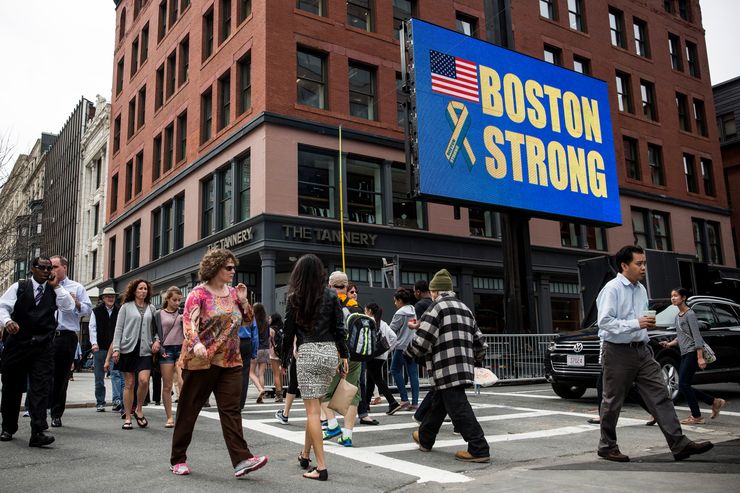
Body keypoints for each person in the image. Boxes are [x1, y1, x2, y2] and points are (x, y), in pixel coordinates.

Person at [596, 245, 713, 462]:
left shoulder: (641, 289)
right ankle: (607, 446)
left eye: (644, 263)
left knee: (661, 395)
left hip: (642, 350)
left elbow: (641, 320)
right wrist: (636, 323)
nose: (643, 268)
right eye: (638, 263)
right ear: (624, 265)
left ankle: (679, 444)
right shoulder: (612, 289)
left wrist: (646, 325)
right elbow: (604, 322)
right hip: (617, 352)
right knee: (612, 401)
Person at [170, 248, 268, 478]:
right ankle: (178, 459)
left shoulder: (234, 293)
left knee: (232, 410)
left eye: (234, 267)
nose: (234, 271)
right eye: (229, 267)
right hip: (202, 360)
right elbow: (188, 322)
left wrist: (244, 302)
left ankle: (241, 459)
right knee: (189, 410)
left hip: (231, 360)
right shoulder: (198, 294)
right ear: (215, 268)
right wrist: (196, 344)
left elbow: (246, 321)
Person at [405, 269, 490, 463]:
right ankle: (425, 438)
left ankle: (479, 448)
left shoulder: (436, 308)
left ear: (435, 291)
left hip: (444, 367)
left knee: (458, 408)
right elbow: (480, 342)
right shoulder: (465, 308)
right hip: (463, 366)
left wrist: (408, 354)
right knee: (439, 403)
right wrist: (477, 360)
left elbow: (423, 340)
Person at [281, 254, 348, 481]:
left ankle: (321, 467)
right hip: (329, 353)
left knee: (312, 412)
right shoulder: (331, 295)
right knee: (316, 406)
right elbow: (340, 329)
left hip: (308, 352)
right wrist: (344, 356)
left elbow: (288, 332)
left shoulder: (294, 297)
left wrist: (283, 360)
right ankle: (305, 454)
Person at [0, 256, 75, 447]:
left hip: (42, 346)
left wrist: (57, 286)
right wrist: (8, 322)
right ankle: (8, 427)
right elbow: (3, 306)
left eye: (49, 268)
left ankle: (38, 431)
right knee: (11, 387)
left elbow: (69, 307)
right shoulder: (20, 286)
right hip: (17, 344)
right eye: (41, 267)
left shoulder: (55, 290)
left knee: (41, 388)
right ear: (32, 269)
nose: (46, 271)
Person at [660, 287, 726, 424]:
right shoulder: (678, 316)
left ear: (683, 298)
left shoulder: (690, 314)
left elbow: (696, 336)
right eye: (672, 296)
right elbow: (681, 336)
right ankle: (714, 402)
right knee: (684, 385)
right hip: (684, 353)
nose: (673, 298)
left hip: (692, 353)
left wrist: (700, 357)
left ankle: (697, 416)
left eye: (676, 296)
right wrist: (670, 344)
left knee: (683, 384)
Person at [321, 271, 364, 446]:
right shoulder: (356, 306)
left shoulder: (330, 304)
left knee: (321, 390)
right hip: (356, 355)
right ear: (346, 287)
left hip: (337, 353)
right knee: (352, 394)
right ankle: (347, 436)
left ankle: (331, 424)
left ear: (330, 286)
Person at [49, 255, 92, 428]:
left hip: (66, 336)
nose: (52, 270)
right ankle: (37, 408)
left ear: (65, 267)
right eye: (50, 266)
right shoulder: (44, 286)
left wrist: (77, 303)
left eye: (55, 266)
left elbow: (88, 309)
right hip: (46, 335)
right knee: (42, 374)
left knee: (61, 377)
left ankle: (56, 413)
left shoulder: (77, 287)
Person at [112, 279, 161, 430]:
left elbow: (157, 329)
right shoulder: (125, 307)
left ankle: (139, 409)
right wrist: (116, 348)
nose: (143, 291)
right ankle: (128, 416)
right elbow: (118, 329)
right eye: (140, 289)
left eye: (145, 289)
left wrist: (157, 341)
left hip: (145, 349)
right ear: (134, 291)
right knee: (129, 384)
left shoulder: (151, 308)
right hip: (128, 349)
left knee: (144, 380)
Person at [363, 303, 401, 415]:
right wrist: (388, 350)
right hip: (382, 355)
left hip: (371, 355)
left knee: (377, 379)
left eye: (365, 310)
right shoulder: (383, 323)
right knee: (370, 379)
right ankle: (366, 405)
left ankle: (392, 402)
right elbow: (394, 337)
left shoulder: (368, 321)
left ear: (369, 311)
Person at [89, 287, 121, 412]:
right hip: (100, 348)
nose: (110, 298)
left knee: (116, 374)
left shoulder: (119, 311)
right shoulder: (96, 311)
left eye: (112, 296)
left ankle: (116, 401)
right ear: (103, 298)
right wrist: (94, 343)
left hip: (114, 348)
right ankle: (100, 402)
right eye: (108, 296)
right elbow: (92, 328)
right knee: (99, 377)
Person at [157, 286, 185, 428]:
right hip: (166, 350)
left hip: (180, 349)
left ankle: (182, 415)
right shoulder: (159, 314)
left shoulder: (182, 313)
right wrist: (157, 345)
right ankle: (169, 417)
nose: (177, 303)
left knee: (182, 382)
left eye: (179, 300)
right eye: (174, 300)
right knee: (167, 386)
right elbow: (155, 333)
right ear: (167, 299)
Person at [389, 287, 419, 411]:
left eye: (395, 301)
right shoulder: (413, 310)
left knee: (394, 369)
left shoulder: (400, 313)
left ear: (400, 300)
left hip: (401, 346)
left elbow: (392, 329)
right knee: (413, 373)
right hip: (412, 345)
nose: (395, 303)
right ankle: (415, 402)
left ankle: (404, 399)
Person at [249, 303, 270, 403]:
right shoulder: (266, 322)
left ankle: (260, 390)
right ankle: (261, 397)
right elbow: (268, 336)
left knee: (251, 372)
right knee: (261, 374)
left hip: (257, 349)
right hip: (266, 349)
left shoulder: (253, 321)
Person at [238, 317, 259, 410]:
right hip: (246, 342)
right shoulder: (249, 313)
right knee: (244, 374)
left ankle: (231, 401)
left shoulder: (229, 308)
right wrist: (254, 352)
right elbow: (255, 335)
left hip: (232, 342)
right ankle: (241, 403)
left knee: (229, 372)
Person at [269, 313, 284, 403]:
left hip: (274, 353)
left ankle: (278, 395)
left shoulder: (271, 329)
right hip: (282, 353)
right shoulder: (283, 328)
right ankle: (281, 391)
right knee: (280, 373)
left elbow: (269, 342)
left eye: (270, 318)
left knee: (276, 374)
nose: (269, 320)